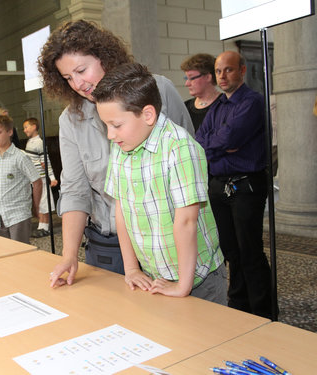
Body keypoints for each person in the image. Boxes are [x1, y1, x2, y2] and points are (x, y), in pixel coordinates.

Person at [38, 20, 194, 288]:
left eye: (81, 70)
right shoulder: (71, 120)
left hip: (168, 242)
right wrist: (69, 255)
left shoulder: (159, 90)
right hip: (108, 245)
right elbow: (76, 190)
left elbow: (192, 165)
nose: (77, 83)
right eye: (67, 78)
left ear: (104, 57)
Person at [92, 62, 226, 304]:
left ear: (148, 114)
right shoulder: (121, 147)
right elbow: (122, 210)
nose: (110, 135)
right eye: (106, 126)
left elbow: (186, 222)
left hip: (197, 280)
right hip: (155, 276)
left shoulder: (180, 148)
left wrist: (182, 286)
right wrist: (131, 268)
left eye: (116, 125)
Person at [196, 51, 273, 318]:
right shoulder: (217, 105)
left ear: (241, 71)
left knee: (249, 249)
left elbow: (229, 137)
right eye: (218, 71)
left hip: (246, 186)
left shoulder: (252, 102)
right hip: (219, 186)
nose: (222, 76)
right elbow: (200, 141)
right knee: (230, 250)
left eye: (228, 70)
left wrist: (222, 144)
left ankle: (263, 311)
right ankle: (240, 307)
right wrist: (223, 145)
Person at [0, 114, 42, 244]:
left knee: (20, 254)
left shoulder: (20, 157)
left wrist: (36, 207)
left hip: (18, 214)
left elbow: (37, 182)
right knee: (5, 254)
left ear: (9, 132)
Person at [22, 117, 58, 238]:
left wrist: (52, 178)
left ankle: (45, 227)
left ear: (34, 127)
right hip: (35, 178)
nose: (25, 130)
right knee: (41, 203)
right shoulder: (30, 142)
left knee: (44, 202)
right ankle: (41, 226)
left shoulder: (38, 142)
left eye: (26, 127)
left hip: (41, 178)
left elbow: (45, 161)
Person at [180, 53, 221, 133]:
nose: (187, 84)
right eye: (186, 78)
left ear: (208, 77)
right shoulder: (185, 107)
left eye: (191, 78)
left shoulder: (225, 105)